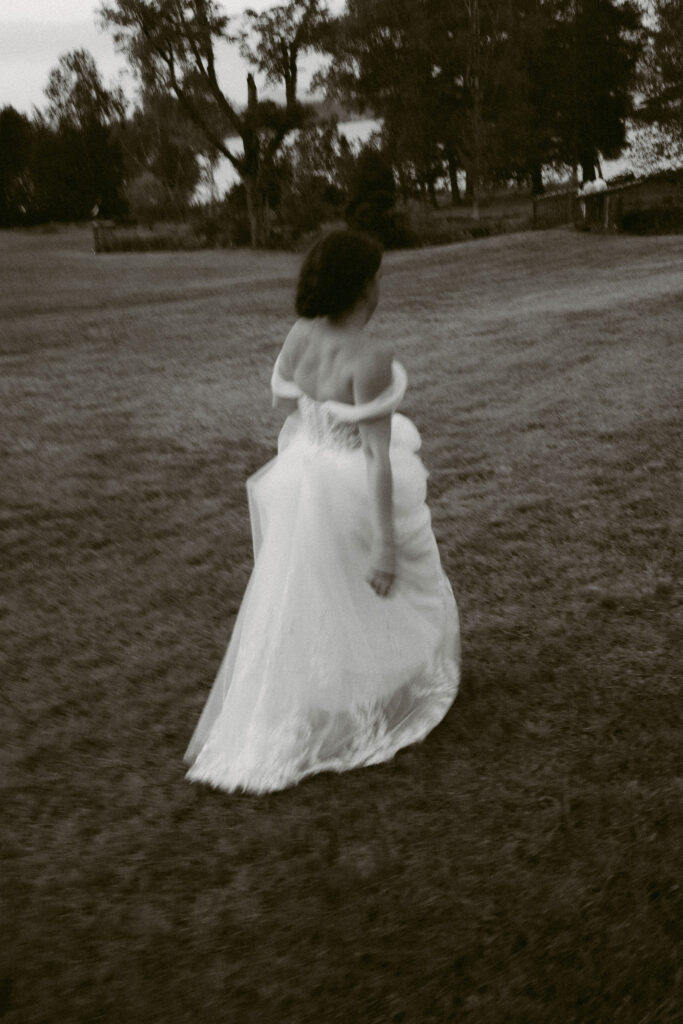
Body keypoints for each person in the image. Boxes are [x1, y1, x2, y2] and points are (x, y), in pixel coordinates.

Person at [184, 230, 460, 794]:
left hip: (303, 471)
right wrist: (385, 543)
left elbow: (283, 402)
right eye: (377, 276)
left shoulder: (300, 334)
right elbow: (380, 457)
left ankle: (339, 688)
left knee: (320, 589)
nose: (381, 286)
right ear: (362, 287)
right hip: (352, 483)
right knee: (388, 581)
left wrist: (316, 422)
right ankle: (385, 690)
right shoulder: (371, 355)